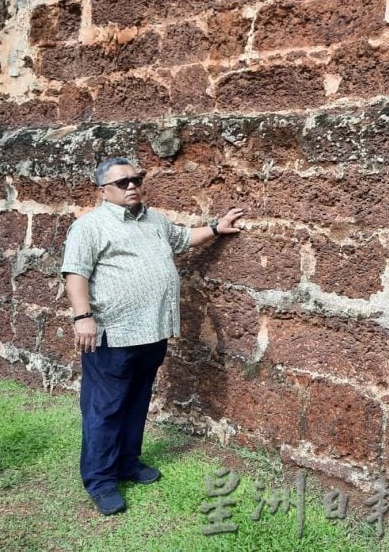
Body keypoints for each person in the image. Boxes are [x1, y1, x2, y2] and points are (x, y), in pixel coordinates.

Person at [61, 157, 245, 516]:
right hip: (113, 333)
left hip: (151, 331)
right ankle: (100, 480)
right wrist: (83, 317)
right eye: (122, 182)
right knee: (105, 407)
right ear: (103, 191)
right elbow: (75, 274)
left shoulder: (154, 220)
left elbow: (183, 238)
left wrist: (215, 227)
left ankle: (128, 463)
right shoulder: (90, 226)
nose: (132, 186)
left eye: (136, 179)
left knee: (136, 401)